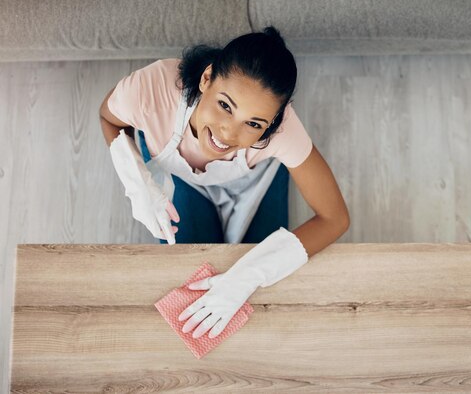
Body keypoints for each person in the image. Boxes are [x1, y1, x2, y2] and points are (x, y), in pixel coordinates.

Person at [99, 26, 350, 339]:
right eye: (225, 105)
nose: (228, 134)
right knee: (192, 285)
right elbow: (109, 118)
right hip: (182, 181)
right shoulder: (151, 89)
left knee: (258, 298)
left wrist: (249, 275)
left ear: (272, 123)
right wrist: (138, 183)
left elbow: (335, 218)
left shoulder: (285, 129)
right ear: (207, 78)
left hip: (252, 184)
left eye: (254, 123)